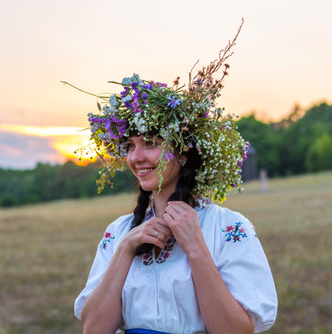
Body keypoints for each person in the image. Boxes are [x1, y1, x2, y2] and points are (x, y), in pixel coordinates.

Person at [68, 24, 278, 334]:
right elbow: (94, 329)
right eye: (130, 146)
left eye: (150, 143)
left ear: (182, 152)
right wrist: (126, 249)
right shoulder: (119, 233)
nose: (136, 157)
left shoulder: (228, 228)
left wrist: (196, 248)